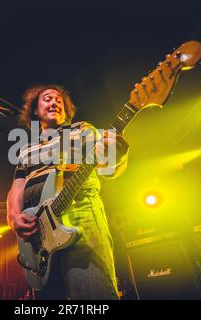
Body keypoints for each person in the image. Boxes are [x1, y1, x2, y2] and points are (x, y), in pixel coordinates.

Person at [7, 84, 129, 299]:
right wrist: (13, 217)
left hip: (80, 212)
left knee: (92, 293)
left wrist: (116, 155)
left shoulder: (81, 130)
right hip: (38, 231)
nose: (54, 102)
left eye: (59, 100)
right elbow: (17, 185)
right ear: (35, 110)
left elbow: (107, 167)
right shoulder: (26, 148)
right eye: (47, 98)